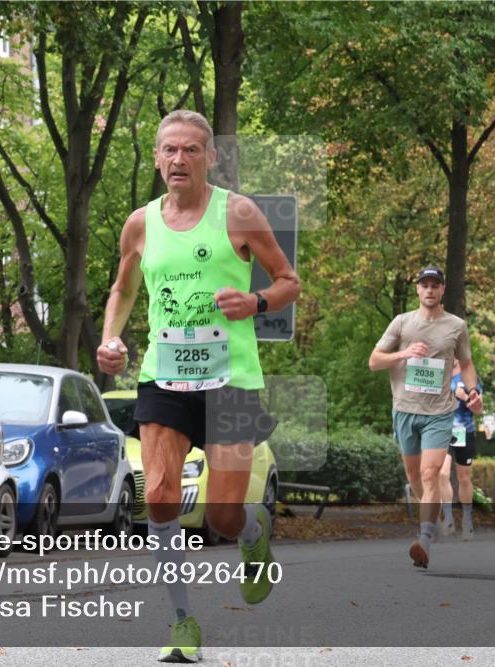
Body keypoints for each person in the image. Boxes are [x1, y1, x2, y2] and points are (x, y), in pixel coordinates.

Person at [98, 110, 301, 662]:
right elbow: (122, 288)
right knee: (160, 496)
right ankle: (182, 621)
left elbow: (289, 282)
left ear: (210, 157)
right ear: (157, 157)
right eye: (170, 149)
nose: (179, 159)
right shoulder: (140, 223)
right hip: (164, 377)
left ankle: (254, 529)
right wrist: (111, 338)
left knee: (221, 516)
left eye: (191, 149)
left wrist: (255, 301)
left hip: (231, 381)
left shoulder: (238, 213)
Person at [369, 267, 482, 569]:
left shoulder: (456, 326)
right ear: (418, 290)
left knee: (431, 473)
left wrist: (473, 391)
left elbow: (466, 363)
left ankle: (425, 541)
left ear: (443, 290)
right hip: (405, 410)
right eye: (425, 285)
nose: (430, 290)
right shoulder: (402, 322)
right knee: (415, 477)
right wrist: (403, 354)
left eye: (435, 285)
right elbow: (374, 361)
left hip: (440, 413)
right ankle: (432, 513)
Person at [437, 358, 483, 540]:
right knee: (442, 474)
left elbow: (478, 409)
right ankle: (448, 517)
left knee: (464, 477)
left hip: (464, 431)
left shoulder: (469, 377)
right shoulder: (436, 374)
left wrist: (465, 397)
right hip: (441, 430)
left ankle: (467, 519)